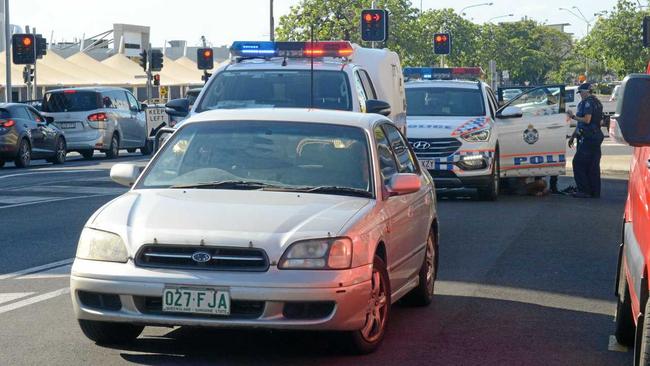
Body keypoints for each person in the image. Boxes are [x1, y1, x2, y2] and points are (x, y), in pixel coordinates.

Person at [566, 83, 605, 198]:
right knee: (593, 165)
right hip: (595, 136)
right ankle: (594, 191)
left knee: (578, 163)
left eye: (581, 92)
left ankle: (584, 190)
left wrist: (572, 116)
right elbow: (582, 124)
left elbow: (586, 120)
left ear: (586, 92)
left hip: (589, 137)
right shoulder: (597, 102)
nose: (580, 95)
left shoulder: (587, 103)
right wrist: (573, 136)